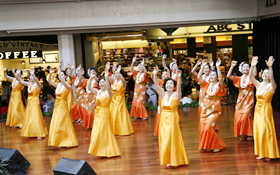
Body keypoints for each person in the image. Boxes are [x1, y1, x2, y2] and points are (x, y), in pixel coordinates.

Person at [153, 65, 189, 167]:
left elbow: (179, 89)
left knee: (172, 139)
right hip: (163, 120)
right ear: (165, 85)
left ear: (173, 86)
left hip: (173, 119)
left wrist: (178, 77)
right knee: (164, 140)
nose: (169, 85)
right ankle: (168, 159)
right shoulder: (162, 94)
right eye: (167, 83)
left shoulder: (176, 96)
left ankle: (175, 160)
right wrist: (155, 74)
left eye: (171, 83)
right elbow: (156, 86)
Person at [249, 56, 279, 161]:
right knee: (258, 131)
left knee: (265, 131)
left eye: (268, 73)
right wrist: (252, 66)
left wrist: (270, 67)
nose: (266, 75)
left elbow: (272, 78)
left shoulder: (272, 86)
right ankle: (261, 153)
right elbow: (251, 77)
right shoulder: (258, 84)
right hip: (258, 110)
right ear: (262, 75)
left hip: (266, 110)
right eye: (264, 73)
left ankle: (269, 153)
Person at [87, 64, 121, 157]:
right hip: (97, 114)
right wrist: (91, 77)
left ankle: (109, 151)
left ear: (107, 84)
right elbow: (89, 87)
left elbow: (109, 88)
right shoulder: (98, 92)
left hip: (105, 114)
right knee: (97, 131)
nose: (101, 84)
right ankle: (100, 150)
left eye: (103, 82)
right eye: (100, 82)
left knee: (103, 131)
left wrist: (107, 77)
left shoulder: (109, 93)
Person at [197, 59, 226, 152]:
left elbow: (221, 79)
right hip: (205, 110)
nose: (212, 76)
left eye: (214, 75)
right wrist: (202, 66)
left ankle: (217, 145)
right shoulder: (207, 85)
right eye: (211, 75)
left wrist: (217, 67)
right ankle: (209, 145)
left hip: (215, 111)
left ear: (217, 77)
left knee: (208, 127)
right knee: (204, 128)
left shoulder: (219, 85)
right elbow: (199, 77)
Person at [47, 67, 78, 148]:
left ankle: (67, 141)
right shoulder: (57, 85)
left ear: (65, 76)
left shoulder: (67, 86)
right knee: (57, 123)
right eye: (59, 75)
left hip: (63, 106)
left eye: (62, 75)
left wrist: (62, 78)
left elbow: (65, 83)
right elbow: (49, 81)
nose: (60, 76)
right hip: (56, 106)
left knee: (62, 122)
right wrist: (50, 73)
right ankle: (59, 140)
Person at [15, 68, 48, 139]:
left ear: (36, 77)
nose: (31, 77)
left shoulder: (38, 85)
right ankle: (31, 132)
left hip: (35, 102)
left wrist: (33, 74)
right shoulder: (28, 84)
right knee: (29, 117)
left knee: (36, 116)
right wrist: (17, 74)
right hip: (29, 103)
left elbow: (38, 82)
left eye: (32, 76)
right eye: (30, 76)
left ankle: (39, 133)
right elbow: (20, 81)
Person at [227, 60, 255, 141]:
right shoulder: (239, 79)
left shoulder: (252, 77)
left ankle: (251, 134)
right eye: (244, 67)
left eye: (247, 67)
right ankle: (244, 134)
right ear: (241, 69)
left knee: (246, 117)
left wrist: (253, 65)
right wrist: (232, 66)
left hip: (249, 100)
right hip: (240, 101)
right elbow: (228, 76)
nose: (246, 68)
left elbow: (255, 72)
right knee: (238, 116)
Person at [108, 64, 134, 135]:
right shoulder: (114, 81)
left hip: (120, 101)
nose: (116, 74)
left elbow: (123, 80)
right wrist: (107, 70)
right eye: (115, 73)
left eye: (118, 73)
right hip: (113, 101)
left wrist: (119, 73)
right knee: (113, 115)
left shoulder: (123, 83)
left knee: (120, 114)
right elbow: (107, 78)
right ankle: (114, 130)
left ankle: (122, 130)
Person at [153, 69, 170, 136]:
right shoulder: (160, 81)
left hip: (168, 100)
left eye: (165, 74)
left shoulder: (169, 82)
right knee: (160, 114)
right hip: (161, 100)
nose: (164, 75)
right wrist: (154, 74)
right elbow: (155, 82)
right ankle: (160, 131)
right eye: (163, 74)